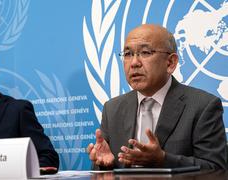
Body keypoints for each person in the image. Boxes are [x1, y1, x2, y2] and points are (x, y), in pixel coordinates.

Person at [87, 24, 227, 169]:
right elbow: (104, 168)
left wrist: (163, 160)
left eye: (145, 52)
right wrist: (105, 164)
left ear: (170, 63)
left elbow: (216, 168)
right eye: (128, 54)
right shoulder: (112, 108)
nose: (134, 63)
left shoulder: (202, 106)